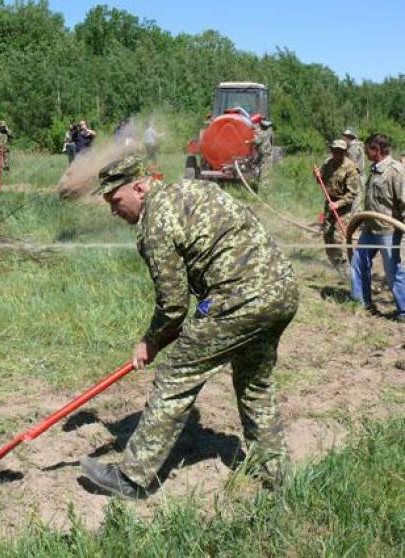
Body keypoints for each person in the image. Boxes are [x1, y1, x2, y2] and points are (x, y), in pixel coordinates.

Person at [81, 155, 299, 498]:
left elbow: (173, 305)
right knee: (255, 383)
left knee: (175, 378)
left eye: (115, 200)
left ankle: (132, 479)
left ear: (139, 187)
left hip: (238, 301)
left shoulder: (154, 223)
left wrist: (150, 340)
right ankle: (278, 475)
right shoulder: (194, 188)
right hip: (281, 290)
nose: (113, 210)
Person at [350, 133, 405, 322]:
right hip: (369, 229)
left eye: (368, 149)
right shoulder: (374, 170)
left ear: (378, 150)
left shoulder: (396, 171)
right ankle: (361, 302)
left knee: (392, 272)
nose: (365, 152)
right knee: (358, 263)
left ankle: (404, 311)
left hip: (388, 231)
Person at [318, 139, 360, 274]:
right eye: (335, 151)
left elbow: (352, 193)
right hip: (329, 203)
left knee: (337, 238)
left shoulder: (350, 167)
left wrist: (338, 204)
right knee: (327, 235)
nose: (337, 154)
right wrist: (318, 176)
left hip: (343, 206)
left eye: (340, 152)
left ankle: (345, 269)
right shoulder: (328, 163)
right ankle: (335, 263)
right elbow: (322, 181)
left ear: (344, 152)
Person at [254, 120, 274, 188]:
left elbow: (257, 142)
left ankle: (264, 186)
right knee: (263, 170)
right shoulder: (268, 132)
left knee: (264, 171)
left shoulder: (263, 134)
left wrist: (248, 141)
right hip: (264, 154)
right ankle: (263, 184)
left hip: (266, 155)